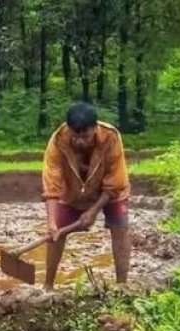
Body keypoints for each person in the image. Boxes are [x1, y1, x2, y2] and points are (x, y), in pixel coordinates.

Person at [41, 102, 131, 290]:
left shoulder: (110, 137)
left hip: (110, 192)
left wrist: (93, 210)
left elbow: (115, 180)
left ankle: (122, 286)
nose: (80, 141)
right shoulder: (58, 141)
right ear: (69, 130)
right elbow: (52, 183)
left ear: (95, 128)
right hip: (73, 190)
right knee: (56, 232)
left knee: (120, 228)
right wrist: (51, 223)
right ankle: (48, 286)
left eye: (86, 137)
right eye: (76, 137)